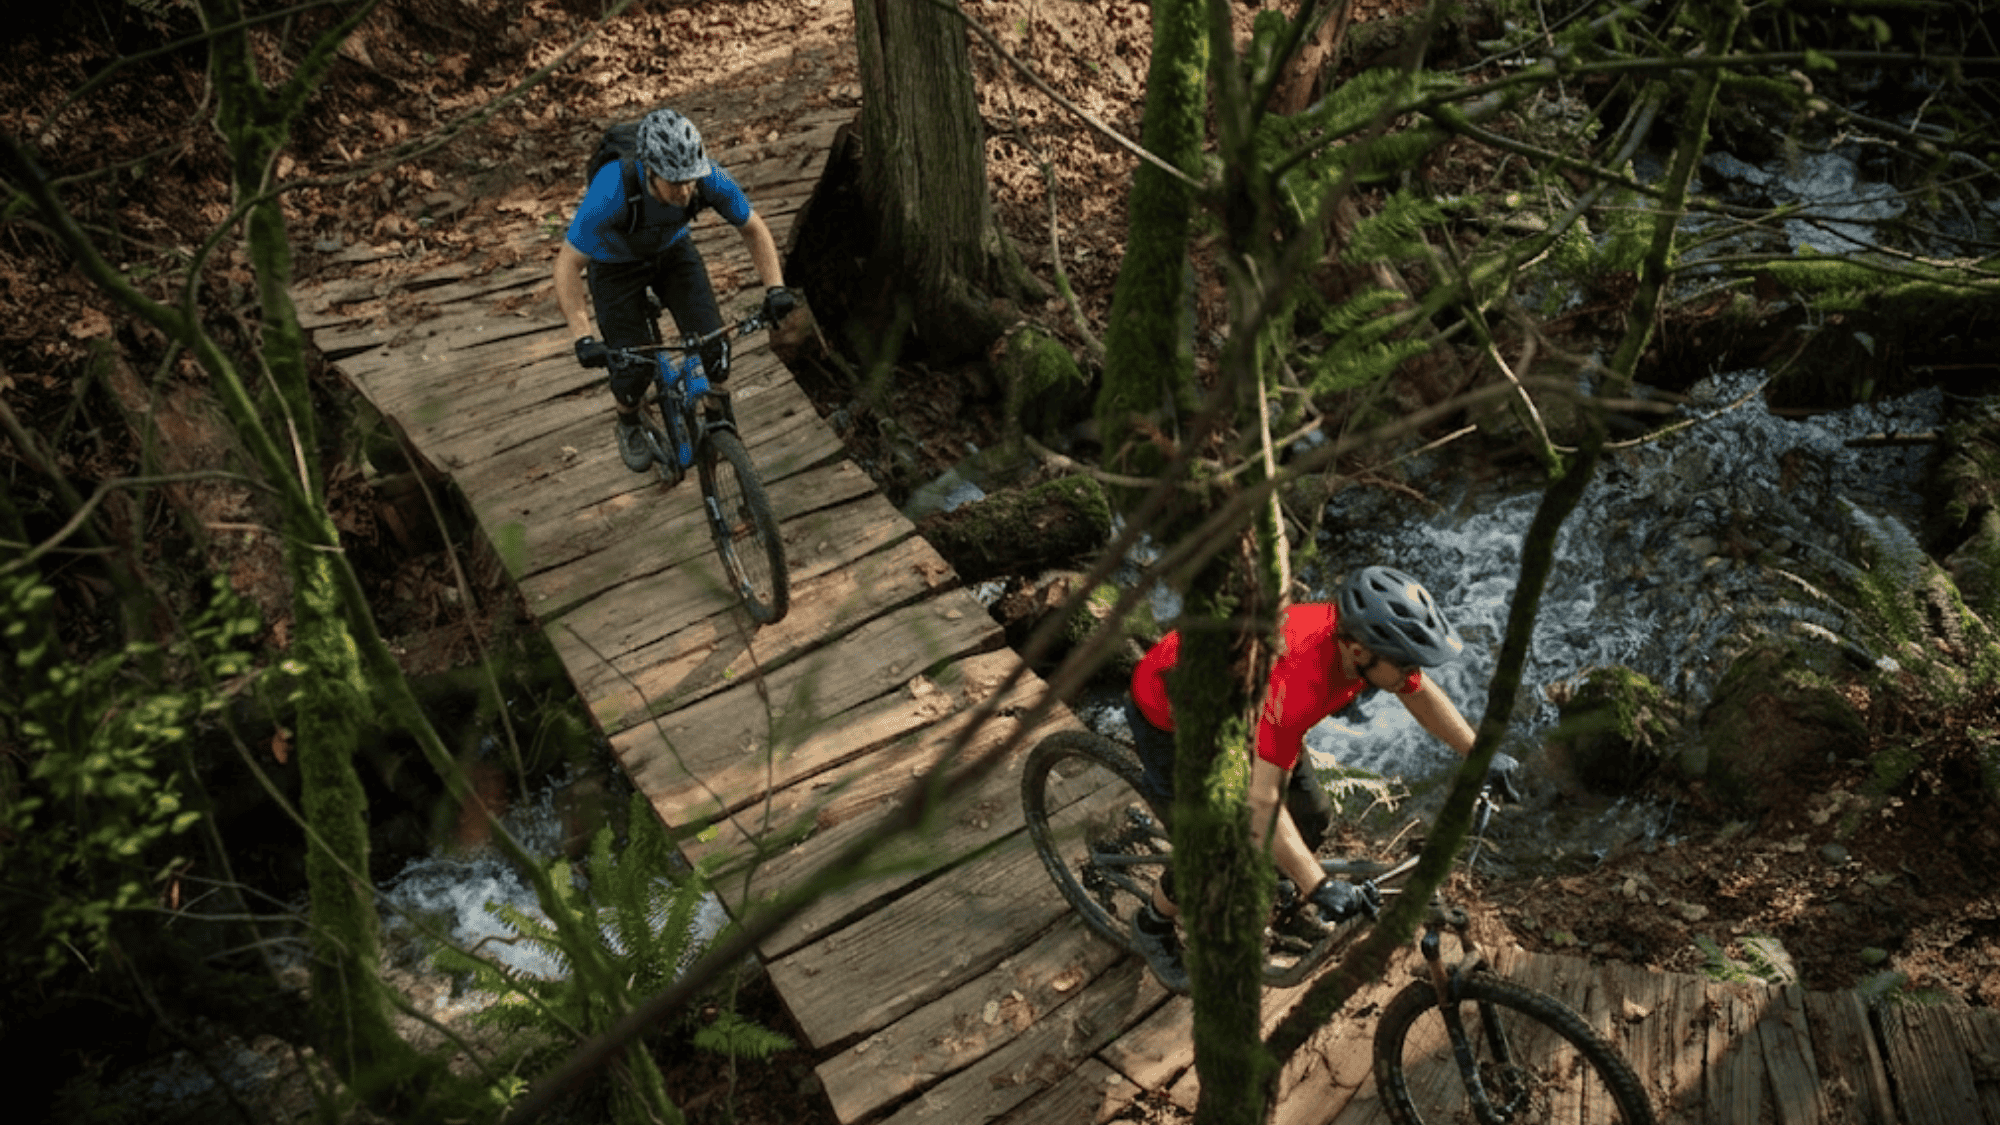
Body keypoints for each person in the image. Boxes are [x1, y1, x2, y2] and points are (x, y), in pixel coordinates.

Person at [1123, 564, 1520, 993]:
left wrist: (1481, 754)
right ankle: (1152, 924)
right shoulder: (1298, 678)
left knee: (1311, 817)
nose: (1411, 672)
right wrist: (1319, 885)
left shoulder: (1363, 648)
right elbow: (1262, 803)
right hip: (1175, 716)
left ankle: (1283, 897)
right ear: (1356, 651)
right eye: (1404, 662)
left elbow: (1420, 695)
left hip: (1248, 713)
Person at [553, 108, 801, 473]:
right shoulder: (613, 188)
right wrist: (583, 337)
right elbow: (567, 264)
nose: (686, 190)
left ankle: (718, 425)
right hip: (614, 266)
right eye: (674, 182)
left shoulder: (707, 178)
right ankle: (628, 420)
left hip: (672, 253)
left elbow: (753, 227)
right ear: (650, 171)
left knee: (714, 347)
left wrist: (775, 288)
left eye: (691, 180)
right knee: (632, 367)